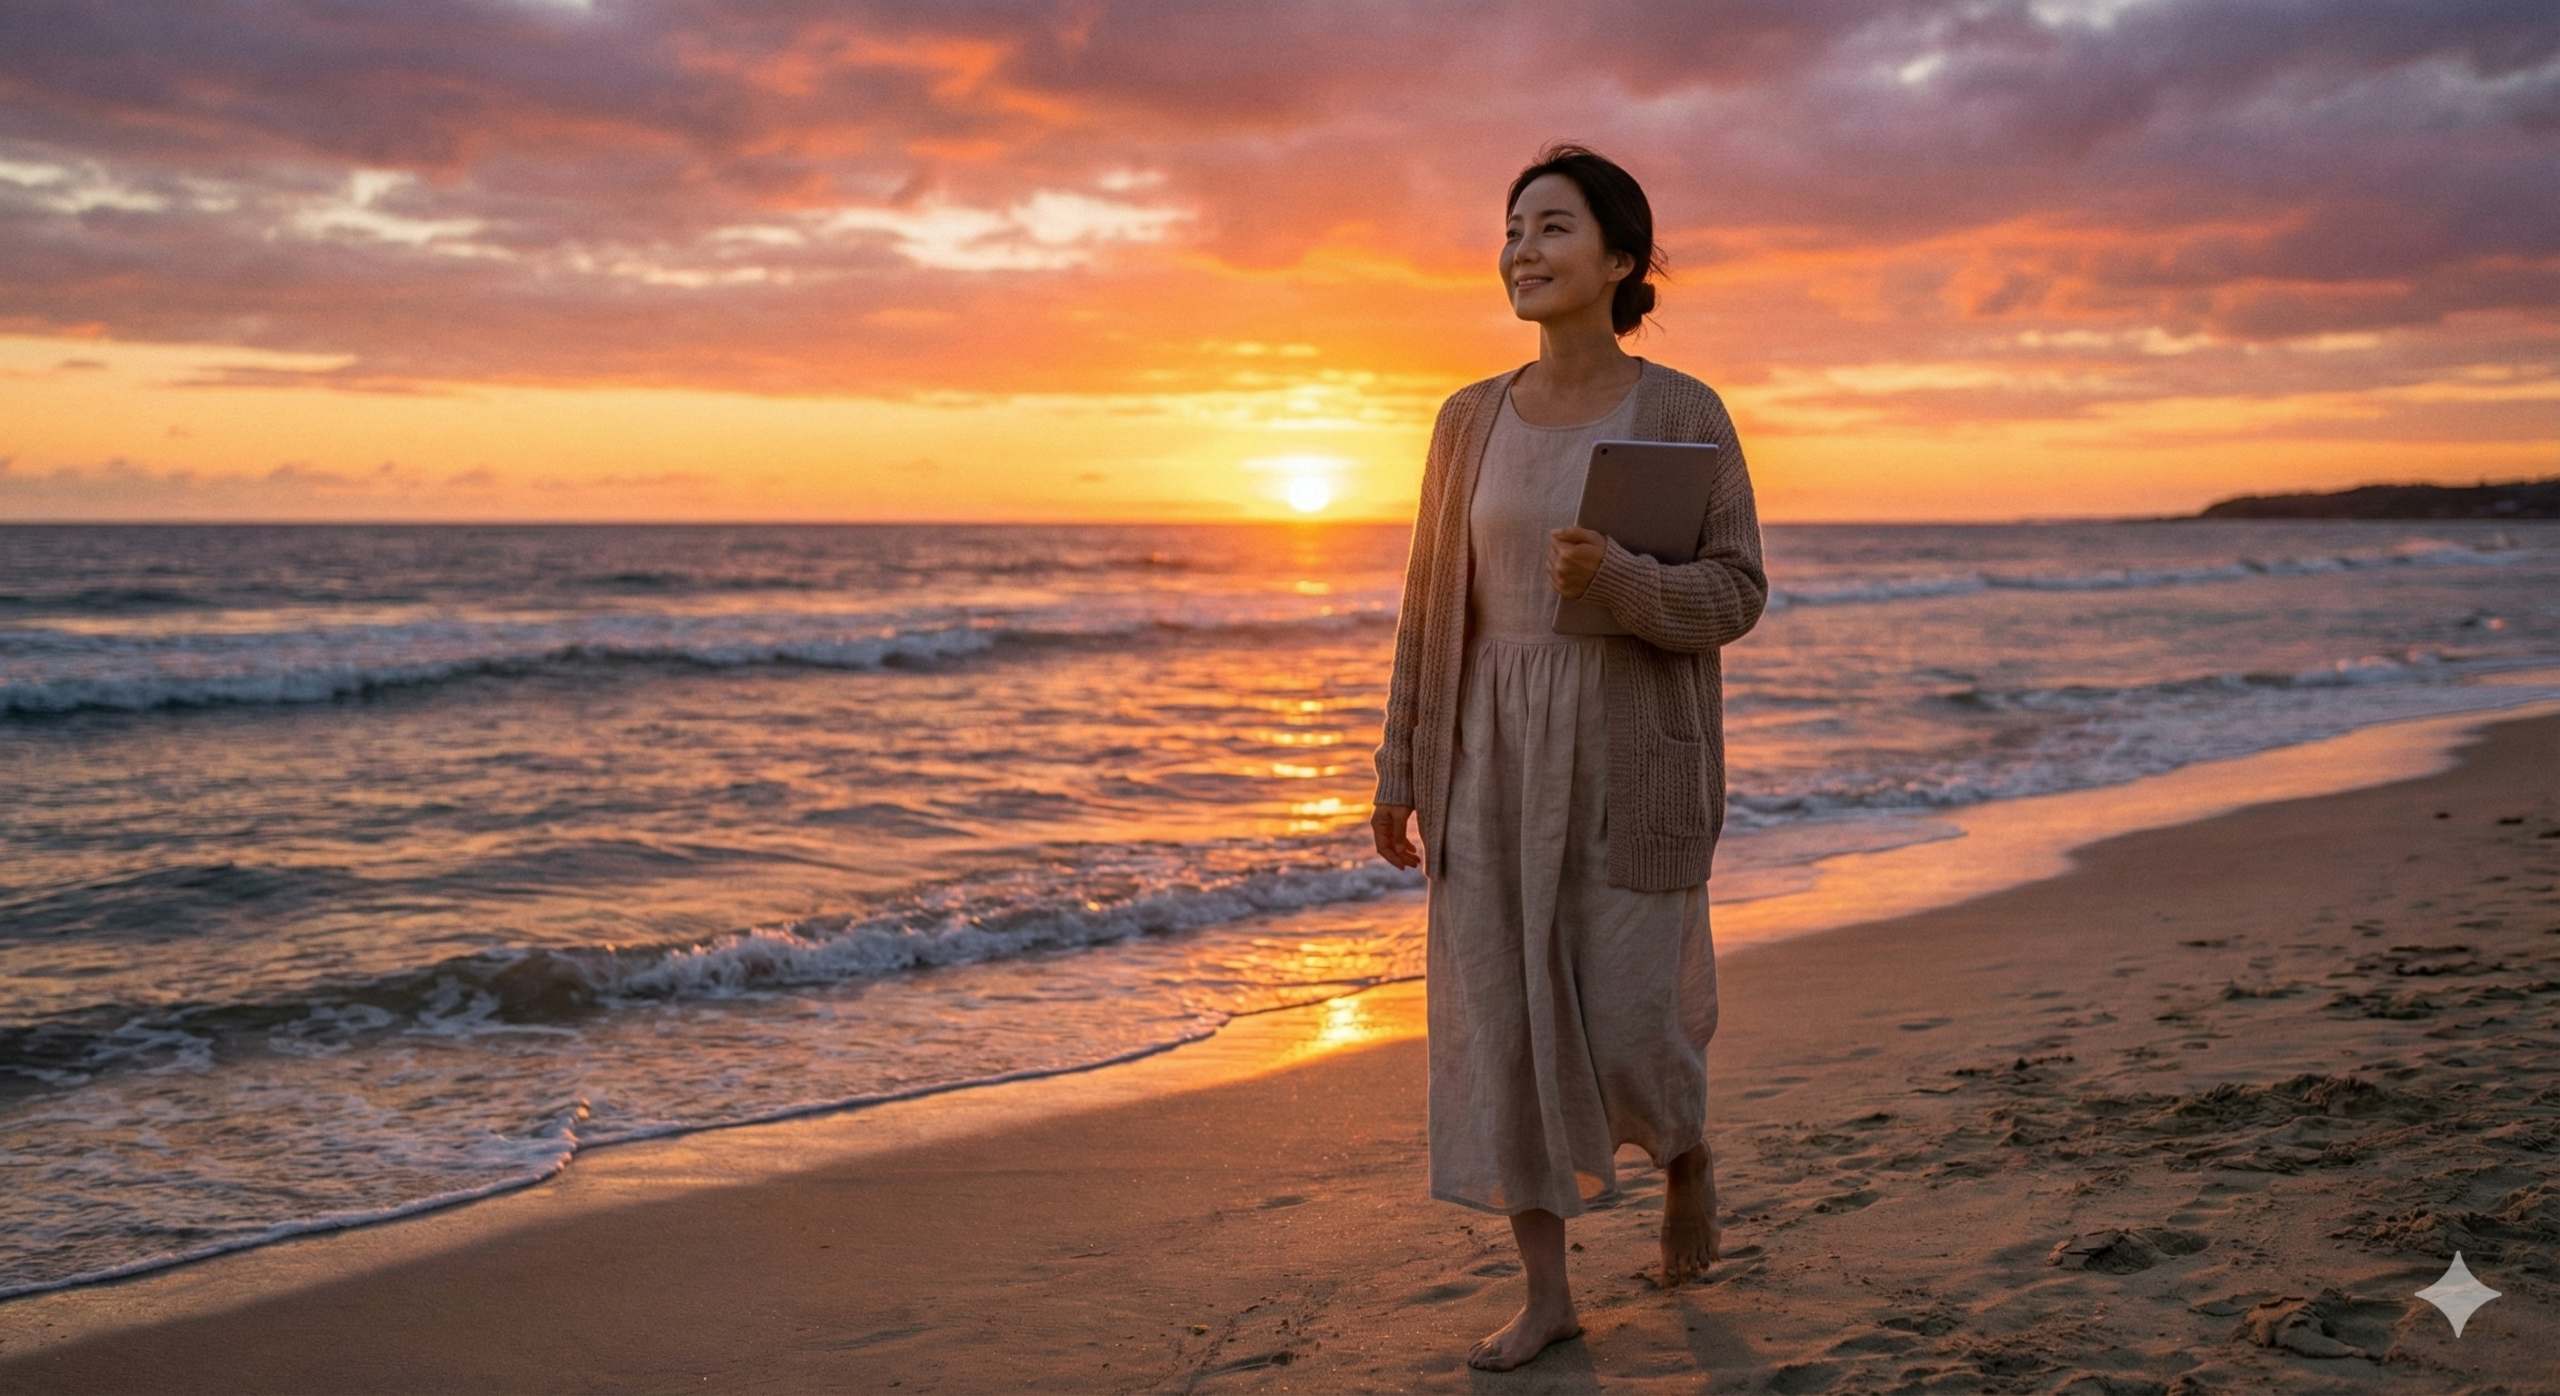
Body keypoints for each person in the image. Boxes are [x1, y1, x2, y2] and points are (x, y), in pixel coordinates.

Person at [1369, 143, 1767, 1373]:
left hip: (1629, 752)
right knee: (1504, 1022)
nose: (1521, 253)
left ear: (1620, 259)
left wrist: (1623, 580)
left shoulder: (1683, 410)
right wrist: (1398, 764)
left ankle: (1683, 1153)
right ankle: (1546, 1292)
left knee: (1636, 1022)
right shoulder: (1464, 419)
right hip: (1483, 751)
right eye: (1510, 231)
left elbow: (1738, 591)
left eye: (1550, 229)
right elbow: (1431, 608)